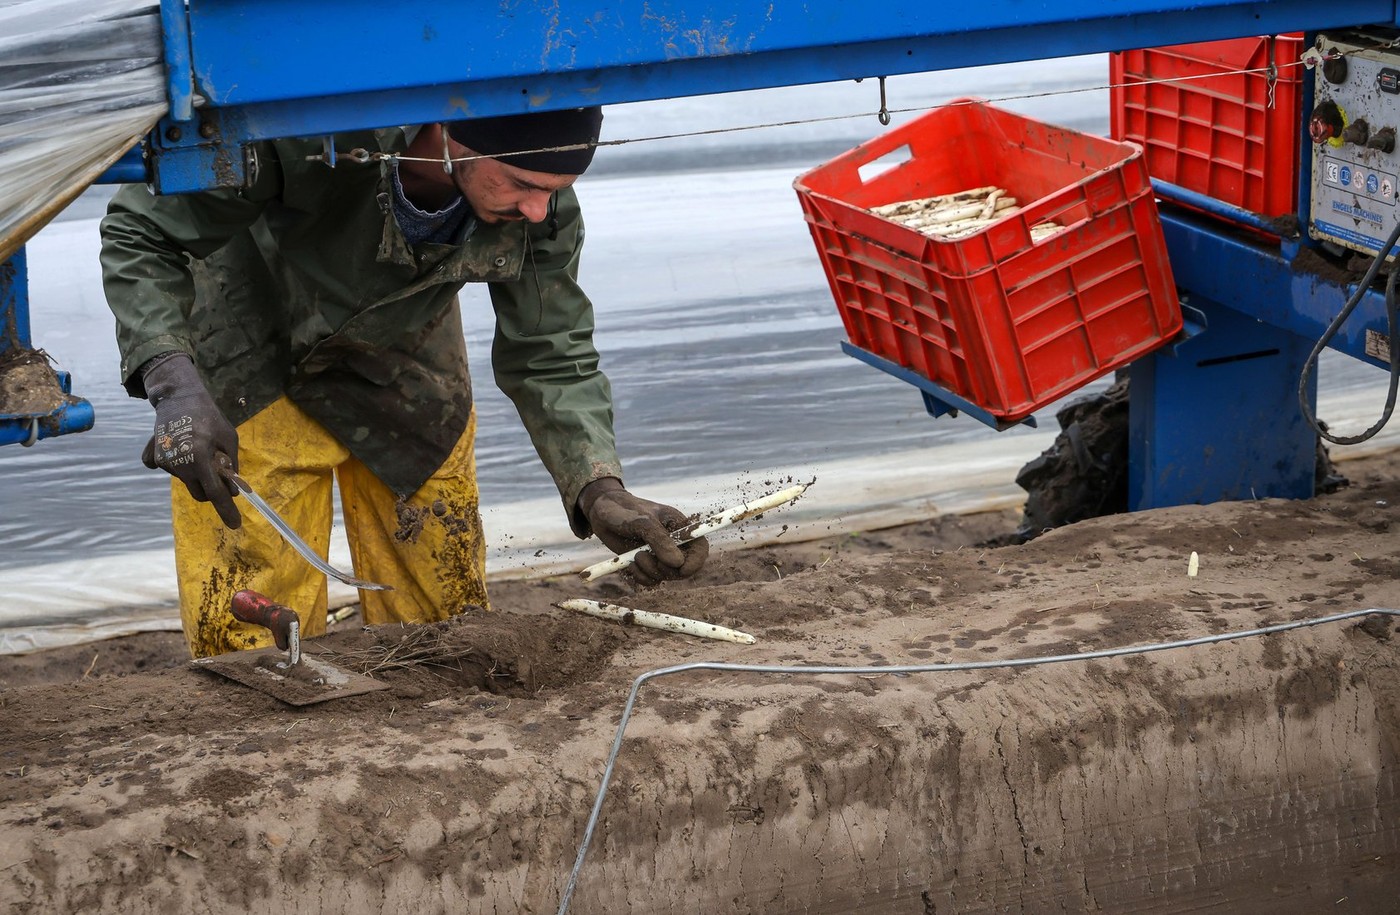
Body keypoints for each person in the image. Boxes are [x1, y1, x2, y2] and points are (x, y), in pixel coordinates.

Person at [99, 106, 709, 658]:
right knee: (250, 628)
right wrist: (173, 385)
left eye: (555, 192)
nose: (537, 210)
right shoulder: (309, 127)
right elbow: (141, 232)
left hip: (410, 370)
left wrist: (597, 487)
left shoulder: (540, 211)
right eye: (523, 185)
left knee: (447, 625)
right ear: (450, 140)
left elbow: (551, 350)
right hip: (251, 352)